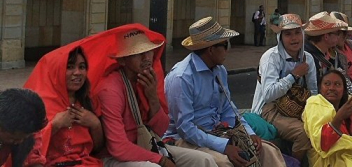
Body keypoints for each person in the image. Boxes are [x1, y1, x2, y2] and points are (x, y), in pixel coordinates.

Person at [164, 17, 285, 167]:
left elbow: (229, 107)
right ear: (211, 49)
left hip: (218, 132)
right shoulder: (182, 77)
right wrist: (224, 147)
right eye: (225, 45)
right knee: (224, 162)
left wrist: (249, 133)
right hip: (186, 140)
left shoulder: (220, 71)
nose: (228, 50)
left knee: (268, 151)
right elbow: (186, 129)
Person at [97, 28, 217, 167]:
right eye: (138, 54)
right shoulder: (111, 89)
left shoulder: (146, 80)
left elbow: (160, 130)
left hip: (147, 145)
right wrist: (161, 160)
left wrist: (152, 97)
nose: (146, 58)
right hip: (115, 158)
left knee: (204, 160)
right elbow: (118, 147)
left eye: (148, 51)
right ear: (123, 61)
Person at [251, 14, 318, 162]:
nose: (294, 38)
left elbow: (313, 91)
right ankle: (293, 163)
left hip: (297, 107)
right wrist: (293, 76)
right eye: (288, 34)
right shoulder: (271, 57)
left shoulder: (308, 58)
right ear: (280, 37)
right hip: (268, 108)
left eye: (297, 33)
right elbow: (268, 94)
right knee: (303, 133)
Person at [23, 46, 104, 166]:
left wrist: (95, 124)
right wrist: (54, 126)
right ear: (57, 70)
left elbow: (98, 149)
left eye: (82, 67)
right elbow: (25, 150)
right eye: (70, 67)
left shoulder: (89, 100)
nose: (77, 73)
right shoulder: (38, 104)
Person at [302, 71, 352, 167]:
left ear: (344, 90)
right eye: (327, 84)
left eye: (337, 84)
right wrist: (339, 117)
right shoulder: (314, 103)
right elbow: (322, 144)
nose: (331, 88)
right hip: (326, 161)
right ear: (320, 88)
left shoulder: (347, 108)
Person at [0, 88, 47, 167]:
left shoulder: (29, 128)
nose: (20, 141)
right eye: (14, 139)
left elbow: (34, 160)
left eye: (24, 137)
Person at [304, 12, 349, 86]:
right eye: (337, 33)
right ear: (326, 37)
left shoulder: (331, 53)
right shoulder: (308, 57)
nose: (338, 37)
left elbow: (343, 77)